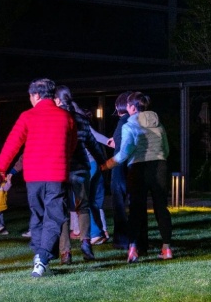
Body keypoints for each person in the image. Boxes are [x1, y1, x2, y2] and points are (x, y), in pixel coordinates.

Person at [0, 78, 77, 278]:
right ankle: (42, 258)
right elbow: (71, 145)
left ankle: (41, 258)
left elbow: (12, 144)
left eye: (30, 96)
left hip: (33, 176)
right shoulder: (66, 117)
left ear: (36, 95)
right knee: (54, 217)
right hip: (56, 174)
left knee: (38, 215)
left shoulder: (27, 116)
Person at [102, 92, 172, 262]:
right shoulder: (158, 124)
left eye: (128, 105)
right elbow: (166, 149)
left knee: (136, 209)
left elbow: (124, 152)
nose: (126, 107)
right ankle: (166, 248)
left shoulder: (129, 126)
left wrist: (107, 165)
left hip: (138, 168)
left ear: (133, 107)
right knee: (161, 208)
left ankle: (133, 249)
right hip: (160, 167)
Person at [54, 85, 106, 264]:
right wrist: (102, 161)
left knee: (62, 209)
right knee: (83, 207)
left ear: (57, 100)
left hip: (61, 168)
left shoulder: (56, 118)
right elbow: (92, 143)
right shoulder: (81, 119)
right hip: (81, 168)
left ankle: (65, 252)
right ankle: (85, 243)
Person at [107, 91, 134, 250]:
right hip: (134, 167)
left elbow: (121, 150)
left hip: (120, 168)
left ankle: (121, 240)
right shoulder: (135, 122)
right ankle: (136, 240)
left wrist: (108, 164)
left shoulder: (122, 122)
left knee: (119, 206)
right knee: (135, 205)